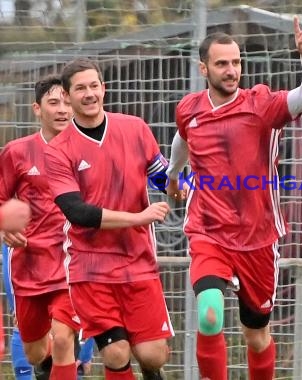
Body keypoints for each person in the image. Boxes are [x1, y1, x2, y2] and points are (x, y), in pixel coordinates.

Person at [164, 15, 302, 380]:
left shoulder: (262, 105)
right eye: (222, 63)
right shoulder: (189, 109)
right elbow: (182, 140)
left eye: (236, 62)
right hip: (208, 229)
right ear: (203, 68)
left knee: (256, 335)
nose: (231, 70)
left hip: (258, 236)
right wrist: (173, 176)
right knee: (209, 315)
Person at [44, 57, 173, 380]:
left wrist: (186, 188)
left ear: (104, 88)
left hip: (138, 261)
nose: (88, 94)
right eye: (80, 88)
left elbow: (163, 178)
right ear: (67, 95)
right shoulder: (58, 150)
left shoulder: (134, 128)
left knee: (154, 355)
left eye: (93, 86)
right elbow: (78, 212)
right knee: (116, 353)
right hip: (91, 267)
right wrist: (137, 217)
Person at [0, 74, 81, 380]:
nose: (62, 109)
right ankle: (48, 367)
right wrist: (5, 225)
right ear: (37, 109)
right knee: (36, 350)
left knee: (63, 338)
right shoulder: (16, 152)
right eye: (53, 102)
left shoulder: (84, 149)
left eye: (66, 102)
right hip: (29, 262)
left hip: (73, 261)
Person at [1, 243, 95, 380]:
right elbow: (8, 250)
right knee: (34, 354)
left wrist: (86, 350)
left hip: (65, 276)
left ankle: (73, 353)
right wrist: (15, 307)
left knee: (63, 338)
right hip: (30, 278)